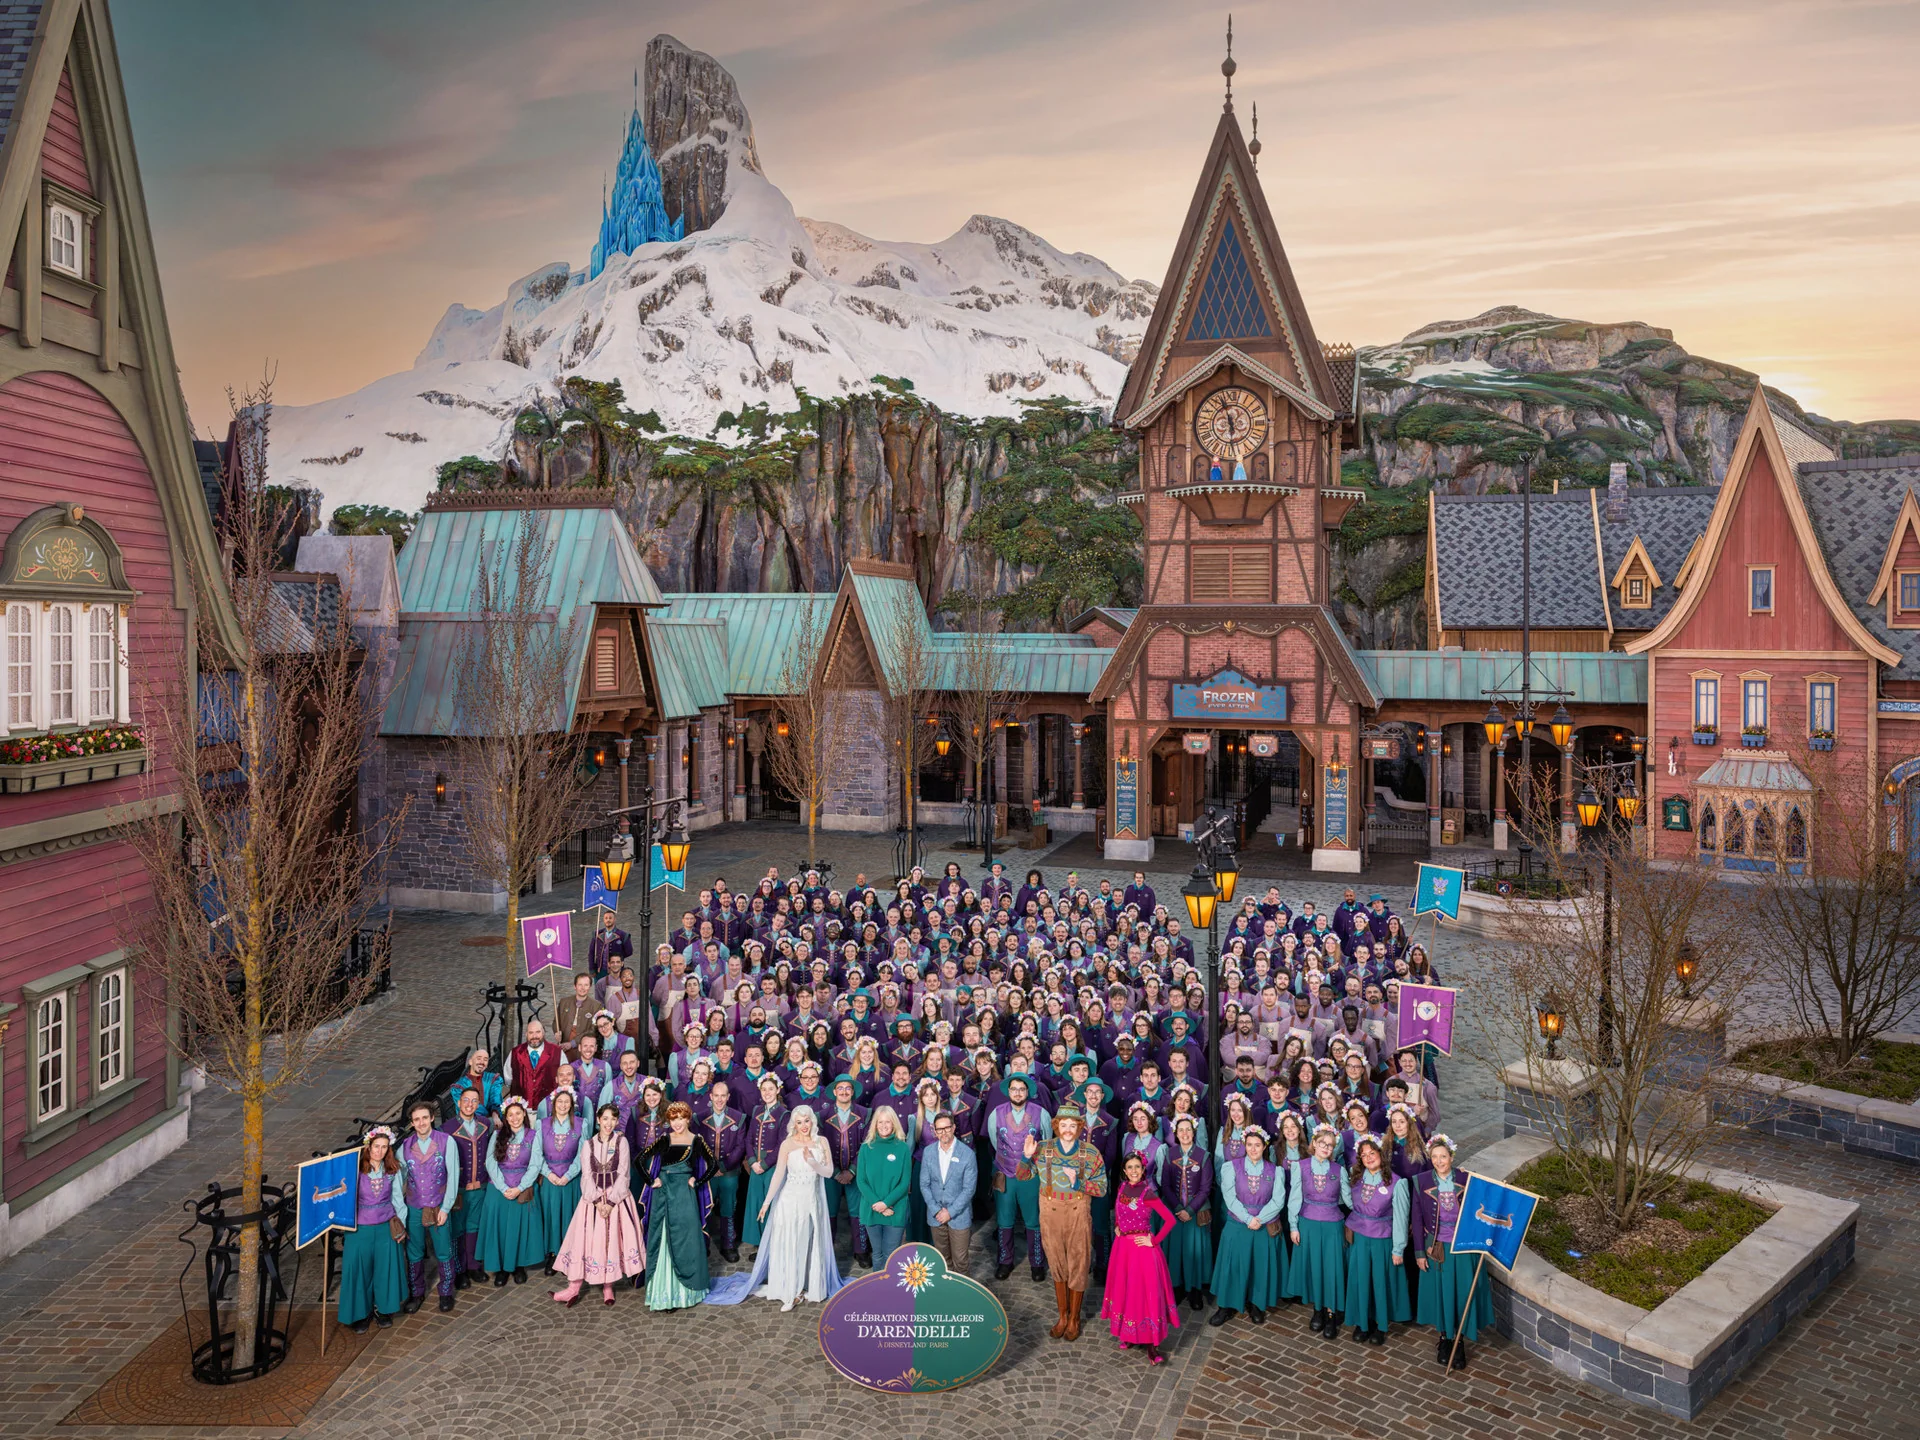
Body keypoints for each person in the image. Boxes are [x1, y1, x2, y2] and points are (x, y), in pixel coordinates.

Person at [709, 1105, 844, 1311]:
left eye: (806, 1121)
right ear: (794, 1124)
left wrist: (812, 1162)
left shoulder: (821, 1141)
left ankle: (808, 1284)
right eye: (799, 1122)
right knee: (790, 1242)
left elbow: (828, 1173)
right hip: (789, 1200)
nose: (803, 1126)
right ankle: (791, 1290)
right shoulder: (788, 1144)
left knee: (807, 1242)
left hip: (811, 1200)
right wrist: (766, 1203)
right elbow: (779, 1174)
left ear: (812, 1121)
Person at [1410, 1135, 1493, 1369]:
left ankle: (1460, 1340)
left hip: (1464, 1246)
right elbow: (1416, 1219)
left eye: (1443, 1156)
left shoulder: (1467, 1179)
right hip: (1436, 1247)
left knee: (1462, 1292)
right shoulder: (1421, 1181)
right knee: (1442, 1293)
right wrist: (1418, 1252)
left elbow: (1485, 1208)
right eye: (1435, 1157)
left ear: (1451, 1157)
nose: (1439, 1161)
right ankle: (1445, 1338)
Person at [552, 1103, 646, 1307]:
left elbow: (624, 1173)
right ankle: (573, 1287)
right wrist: (596, 1200)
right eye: (605, 1119)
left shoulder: (621, 1142)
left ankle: (608, 1285)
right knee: (584, 1240)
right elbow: (585, 1176)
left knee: (611, 1240)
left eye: (613, 1119)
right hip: (592, 1201)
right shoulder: (588, 1144)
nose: (609, 1123)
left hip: (616, 1198)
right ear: (598, 1119)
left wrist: (611, 1201)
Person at [1031, 1102, 1107, 1342]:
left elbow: (1103, 1188)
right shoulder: (1042, 1149)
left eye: (1072, 1126)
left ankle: (1075, 1318)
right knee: (1056, 1262)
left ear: (1079, 1127)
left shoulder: (1091, 1153)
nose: (1067, 1129)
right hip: (1050, 1212)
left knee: (1078, 1262)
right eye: (1062, 1125)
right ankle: (1062, 1316)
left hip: (1077, 1211)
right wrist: (1025, 1158)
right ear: (1055, 1126)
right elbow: (1023, 1175)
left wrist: (1079, 1184)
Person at [1100, 1152, 1179, 1364]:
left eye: (1137, 1167)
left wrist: (1153, 1241)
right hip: (1123, 1249)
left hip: (1142, 1251)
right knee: (1127, 1290)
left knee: (1145, 1293)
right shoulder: (1121, 1189)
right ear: (1124, 1171)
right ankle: (1129, 1334)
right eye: (1130, 1167)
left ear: (1143, 1170)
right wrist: (1117, 1226)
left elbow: (1170, 1220)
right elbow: (1120, 1213)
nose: (1134, 1171)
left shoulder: (1148, 1193)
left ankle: (1152, 1345)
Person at [639, 1101, 715, 1310]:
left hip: (684, 1195)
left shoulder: (697, 1140)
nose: (677, 1123)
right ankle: (664, 1294)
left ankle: (685, 1292)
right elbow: (639, 1160)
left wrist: (696, 1181)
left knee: (686, 1238)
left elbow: (714, 1164)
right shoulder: (665, 1139)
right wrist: (651, 1180)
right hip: (663, 1195)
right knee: (663, 1238)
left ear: (688, 1119)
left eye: (681, 1118)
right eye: (673, 1119)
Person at [1208, 1126, 1285, 1328]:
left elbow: (1278, 1200)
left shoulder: (1275, 1171)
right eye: (1249, 1144)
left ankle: (1256, 1304)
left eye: (1257, 1145)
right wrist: (1247, 1218)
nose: (1253, 1149)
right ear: (1244, 1145)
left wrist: (1259, 1218)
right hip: (1238, 1223)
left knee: (1258, 1265)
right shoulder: (1231, 1167)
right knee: (1232, 1265)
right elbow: (1230, 1197)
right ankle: (1226, 1306)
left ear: (1264, 1146)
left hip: (1262, 1224)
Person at [338, 1126, 409, 1333]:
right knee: (359, 1271)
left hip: (386, 1227)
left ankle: (383, 1309)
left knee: (384, 1270)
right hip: (359, 1229)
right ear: (368, 1147)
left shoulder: (392, 1169)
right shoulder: (355, 1170)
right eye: (376, 1146)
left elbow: (398, 1199)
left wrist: (401, 1225)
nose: (380, 1151)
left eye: (384, 1147)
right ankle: (361, 1313)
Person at [1341, 1134, 1411, 1345]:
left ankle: (1380, 1325)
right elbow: (1352, 1204)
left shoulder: (1396, 1183)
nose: (1369, 1158)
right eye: (1364, 1155)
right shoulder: (1356, 1179)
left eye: (1372, 1153)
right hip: (1359, 1238)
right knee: (1360, 1280)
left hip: (1382, 1239)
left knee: (1379, 1282)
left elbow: (1401, 1217)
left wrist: (1398, 1248)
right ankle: (1363, 1322)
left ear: (1381, 1154)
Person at [984, 1074, 1052, 1282]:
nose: (1018, 1093)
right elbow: (995, 1142)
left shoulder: (1042, 1114)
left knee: (1033, 1221)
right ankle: (1005, 1261)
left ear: (1028, 1092)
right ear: (1008, 1091)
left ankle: (1037, 1263)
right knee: (1004, 1220)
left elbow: (1047, 1144)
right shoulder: (996, 1113)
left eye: (1022, 1089)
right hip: (1004, 1173)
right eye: (1014, 1089)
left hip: (1031, 1175)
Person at [1285, 1124, 1350, 1338]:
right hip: (1308, 1224)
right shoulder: (1300, 1166)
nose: (1325, 1147)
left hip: (1332, 1226)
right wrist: (1293, 1226)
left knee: (1331, 1269)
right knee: (1314, 1268)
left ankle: (1331, 1314)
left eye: (1330, 1145)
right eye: (1322, 1143)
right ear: (1313, 1143)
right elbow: (1294, 1198)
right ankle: (1317, 1310)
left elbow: (1347, 1200)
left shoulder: (1339, 1170)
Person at [397, 1101, 460, 1314]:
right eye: (416, 1120)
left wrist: (446, 1208)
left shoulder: (446, 1142)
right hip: (414, 1206)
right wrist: (400, 1212)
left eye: (425, 1118)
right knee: (414, 1252)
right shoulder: (404, 1147)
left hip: (439, 1204)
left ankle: (446, 1292)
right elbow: (399, 1181)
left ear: (432, 1117)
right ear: (412, 1123)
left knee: (443, 1250)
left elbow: (454, 1177)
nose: (421, 1122)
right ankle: (416, 1293)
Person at [479, 1097, 547, 1286]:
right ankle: (501, 1269)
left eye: (518, 1113)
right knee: (500, 1228)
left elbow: (535, 1165)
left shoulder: (533, 1136)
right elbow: (490, 1163)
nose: (515, 1117)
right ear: (506, 1118)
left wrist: (519, 1188)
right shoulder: (498, 1134)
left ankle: (518, 1266)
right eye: (511, 1115)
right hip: (499, 1188)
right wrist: (503, 1187)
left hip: (522, 1187)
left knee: (519, 1228)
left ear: (524, 1114)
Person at [1163, 1114, 1214, 1313]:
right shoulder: (1170, 1153)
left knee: (1195, 1252)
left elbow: (1205, 1188)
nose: (1185, 1133)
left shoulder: (1203, 1155)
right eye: (1181, 1130)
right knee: (1176, 1251)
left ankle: (1194, 1290)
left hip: (1196, 1212)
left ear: (1194, 1133)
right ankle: (1176, 1288)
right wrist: (1178, 1209)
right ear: (1176, 1133)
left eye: (1188, 1130)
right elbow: (1165, 1185)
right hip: (1175, 1212)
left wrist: (1190, 1210)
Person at [444, 1086, 493, 1288]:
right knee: (457, 1228)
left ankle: (473, 1265)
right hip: (458, 1189)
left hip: (479, 1185)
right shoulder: (446, 1129)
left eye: (474, 1101)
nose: (470, 1104)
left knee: (474, 1226)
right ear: (458, 1102)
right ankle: (459, 1269)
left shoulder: (485, 1124)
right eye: (466, 1100)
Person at [535, 1087, 586, 1276]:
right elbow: (536, 1154)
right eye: (559, 1102)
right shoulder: (542, 1124)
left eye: (567, 1102)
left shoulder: (582, 1124)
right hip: (550, 1179)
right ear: (553, 1104)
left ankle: (569, 1256)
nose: (563, 1105)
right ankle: (553, 1254)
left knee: (569, 1216)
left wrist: (567, 1176)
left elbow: (583, 1154)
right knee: (551, 1216)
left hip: (570, 1178)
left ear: (571, 1105)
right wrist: (549, 1174)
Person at [919, 1110, 977, 1274]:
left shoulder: (967, 1154)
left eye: (947, 1128)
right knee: (943, 1261)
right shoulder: (928, 1152)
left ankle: (961, 1297)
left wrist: (950, 1212)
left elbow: (969, 1189)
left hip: (959, 1216)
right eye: (939, 1129)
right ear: (934, 1131)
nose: (943, 1132)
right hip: (935, 1216)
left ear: (953, 1128)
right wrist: (937, 1210)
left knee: (961, 1262)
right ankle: (946, 1295)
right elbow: (924, 1184)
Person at [857, 1106, 914, 1262]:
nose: (883, 1125)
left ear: (894, 1123)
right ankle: (877, 1287)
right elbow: (861, 1181)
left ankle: (891, 1287)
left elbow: (904, 1182)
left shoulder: (902, 1148)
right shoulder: (866, 1148)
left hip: (895, 1209)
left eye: (887, 1122)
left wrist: (886, 1204)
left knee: (891, 1255)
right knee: (877, 1254)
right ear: (875, 1124)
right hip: (871, 1208)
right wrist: (878, 1204)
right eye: (880, 1122)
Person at [741, 1072, 789, 1252]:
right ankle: (759, 1244)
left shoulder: (784, 1114)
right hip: (755, 1166)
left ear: (777, 1090)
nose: (767, 1092)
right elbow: (748, 1139)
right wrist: (752, 1161)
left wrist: (765, 1164)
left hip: (772, 1166)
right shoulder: (756, 1110)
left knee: (771, 1204)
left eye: (771, 1089)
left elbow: (782, 1144)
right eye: (764, 1089)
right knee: (755, 1202)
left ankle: (772, 1245)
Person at [508, 1021, 562, 1112]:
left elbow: (564, 1080)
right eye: (531, 1033)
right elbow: (508, 1079)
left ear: (543, 1033)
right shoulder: (515, 1053)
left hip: (548, 1109)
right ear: (526, 1034)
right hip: (521, 1110)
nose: (534, 1036)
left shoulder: (557, 1052)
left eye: (538, 1032)